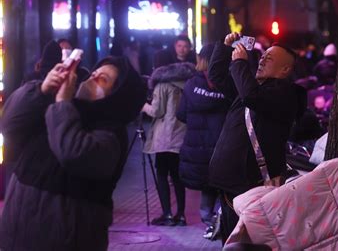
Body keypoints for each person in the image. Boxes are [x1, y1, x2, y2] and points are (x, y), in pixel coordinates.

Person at [0, 56, 147, 251]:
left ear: (115, 98)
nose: (92, 78)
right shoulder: (59, 107)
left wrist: (62, 104)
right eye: (94, 73)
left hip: (66, 240)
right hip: (16, 236)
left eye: (102, 79)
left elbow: (74, 153)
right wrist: (42, 90)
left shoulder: (110, 134)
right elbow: (10, 124)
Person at [207, 32, 307, 243]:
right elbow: (216, 77)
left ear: (285, 70)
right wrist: (225, 48)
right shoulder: (253, 87)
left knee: (247, 243)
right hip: (229, 182)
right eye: (262, 57)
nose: (261, 60)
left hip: (250, 184)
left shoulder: (286, 94)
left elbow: (252, 97)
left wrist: (241, 63)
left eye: (268, 59)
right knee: (230, 240)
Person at [176, 43, 231, 239]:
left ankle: (209, 222)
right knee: (223, 188)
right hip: (222, 147)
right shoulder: (229, 86)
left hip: (196, 148)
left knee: (206, 186)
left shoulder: (191, 84)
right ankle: (222, 222)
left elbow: (181, 114)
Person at [142, 61, 196, 226]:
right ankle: (181, 215)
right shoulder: (187, 84)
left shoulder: (162, 85)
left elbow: (157, 111)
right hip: (181, 136)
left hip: (164, 138)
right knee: (178, 177)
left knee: (162, 175)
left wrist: (144, 106)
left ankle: (167, 214)